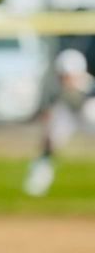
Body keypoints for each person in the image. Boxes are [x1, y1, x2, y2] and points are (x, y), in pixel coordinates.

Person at [23, 48, 95, 197]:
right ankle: (39, 177)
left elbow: (83, 103)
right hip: (69, 116)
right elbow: (50, 109)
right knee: (51, 135)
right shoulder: (54, 86)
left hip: (88, 116)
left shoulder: (89, 85)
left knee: (90, 110)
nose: (66, 79)